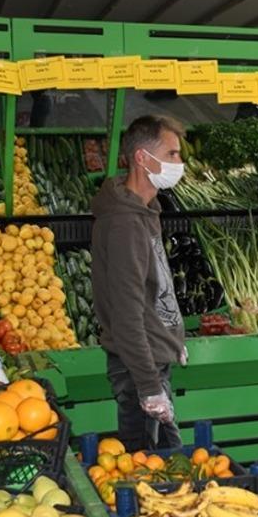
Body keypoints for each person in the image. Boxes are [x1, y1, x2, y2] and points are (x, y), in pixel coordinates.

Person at [91, 115, 188, 452]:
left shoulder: (146, 211)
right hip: (138, 370)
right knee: (154, 465)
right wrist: (149, 387)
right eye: (172, 154)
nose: (179, 162)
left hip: (151, 357)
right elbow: (127, 315)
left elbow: (153, 289)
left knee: (165, 462)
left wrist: (171, 336)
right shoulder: (125, 225)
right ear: (142, 158)